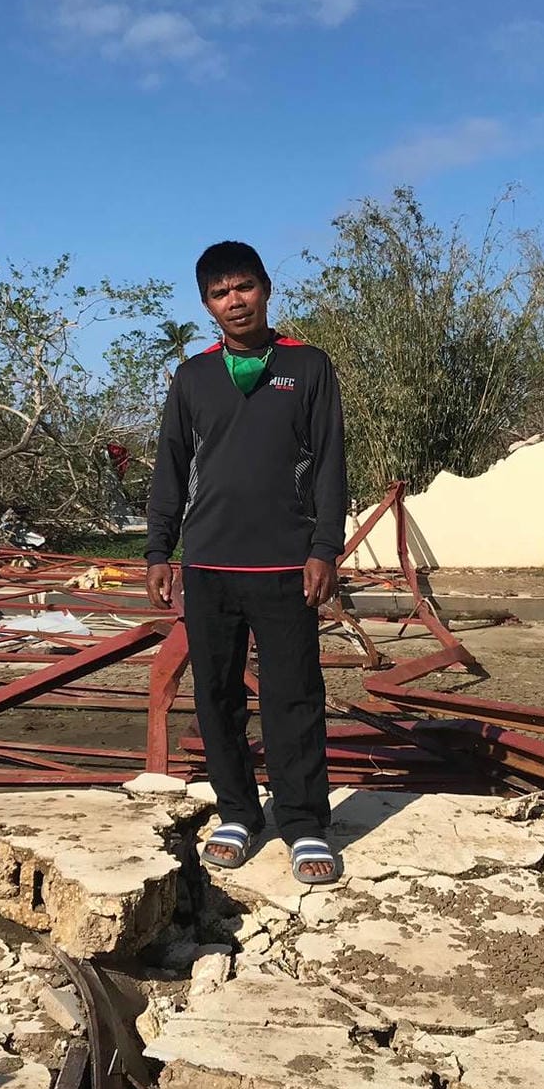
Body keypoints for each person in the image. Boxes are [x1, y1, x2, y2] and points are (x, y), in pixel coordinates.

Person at [145, 241, 347, 886]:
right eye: (220, 293)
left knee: (294, 696)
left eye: (245, 287)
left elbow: (330, 466)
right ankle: (237, 811)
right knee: (218, 694)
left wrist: (323, 550)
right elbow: (171, 468)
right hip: (208, 564)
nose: (235, 301)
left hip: (286, 565)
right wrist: (159, 549)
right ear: (207, 304)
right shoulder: (193, 376)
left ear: (265, 289)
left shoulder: (307, 366)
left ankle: (304, 822)